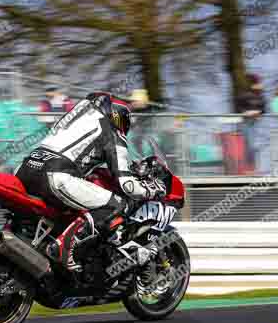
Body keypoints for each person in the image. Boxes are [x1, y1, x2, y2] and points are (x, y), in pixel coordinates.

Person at [15, 92, 166, 272]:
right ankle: (64, 248)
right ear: (118, 116)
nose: (126, 127)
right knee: (117, 204)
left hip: (24, 169)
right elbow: (127, 185)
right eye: (126, 121)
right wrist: (152, 189)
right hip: (56, 175)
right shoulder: (111, 133)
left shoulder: (73, 123)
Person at [234, 74, 266, 174]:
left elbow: (263, 109)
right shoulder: (244, 95)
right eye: (259, 84)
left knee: (256, 145)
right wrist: (245, 113)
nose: (261, 86)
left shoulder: (260, 96)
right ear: (253, 85)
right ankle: (248, 168)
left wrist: (259, 113)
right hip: (246, 122)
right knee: (249, 145)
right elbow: (237, 107)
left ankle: (255, 168)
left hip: (257, 122)